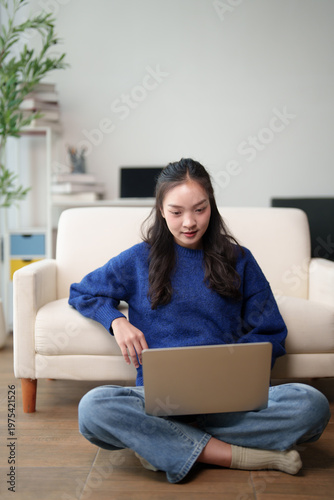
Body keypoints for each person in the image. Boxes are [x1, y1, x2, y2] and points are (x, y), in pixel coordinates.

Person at [69, 158, 330, 484]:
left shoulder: (239, 259)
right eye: (176, 212)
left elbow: (271, 329)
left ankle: (164, 444)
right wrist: (116, 321)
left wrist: (235, 365)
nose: (189, 222)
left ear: (212, 206)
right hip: (159, 401)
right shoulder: (139, 258)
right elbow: (82, 292)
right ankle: (237, 455)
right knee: (94, 409)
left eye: (200, 209)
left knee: (311, 405)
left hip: (228, 401)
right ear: (162, 210)